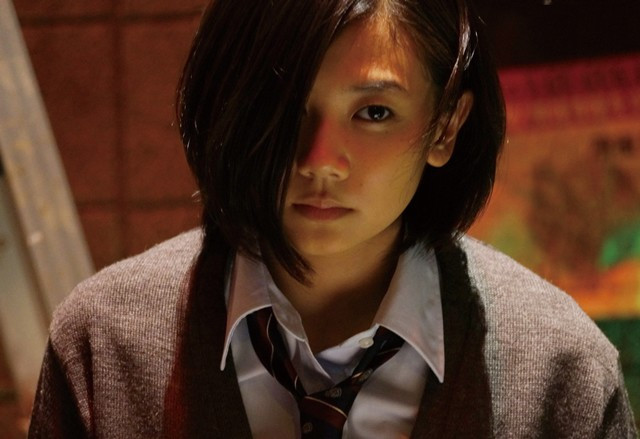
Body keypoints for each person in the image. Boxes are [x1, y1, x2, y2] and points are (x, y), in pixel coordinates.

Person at [28, 0, 637, 437]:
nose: (320, 160)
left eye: (374, 113)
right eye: (282, 106)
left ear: (446, 125)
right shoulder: (105, 344)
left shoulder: (560, 368)